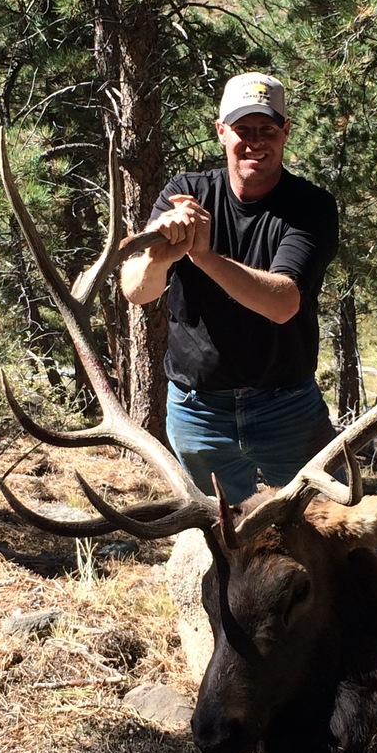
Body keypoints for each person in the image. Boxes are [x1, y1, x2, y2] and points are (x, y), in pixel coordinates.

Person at [120, 72, 340, 504]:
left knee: (321, 525)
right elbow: (136, 290)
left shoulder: (310, 206)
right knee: (223, 537)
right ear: (221, 131)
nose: (255, 141)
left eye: (267, 130)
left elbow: (282, 302)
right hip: (198, 412)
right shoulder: (185, 193)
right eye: (242, 129)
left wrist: (203, 255)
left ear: (285, 132)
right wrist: (161, 255)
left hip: (287, 408)